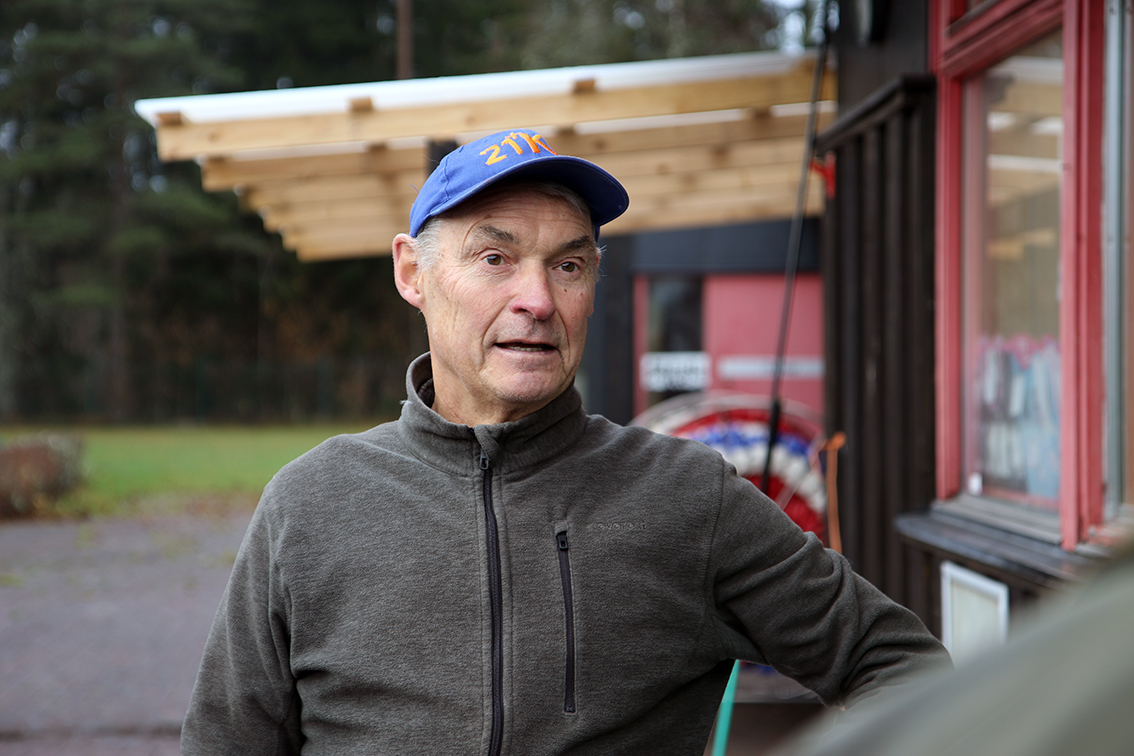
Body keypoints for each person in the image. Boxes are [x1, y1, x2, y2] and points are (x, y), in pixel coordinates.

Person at [180, 128, 950, 756]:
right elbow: (226, 743)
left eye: (569, 265)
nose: (539, 300)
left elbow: (896, 663)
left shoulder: (688, 496)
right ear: (413, 273)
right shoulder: (311, 502)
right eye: (495, 258)